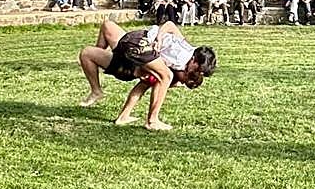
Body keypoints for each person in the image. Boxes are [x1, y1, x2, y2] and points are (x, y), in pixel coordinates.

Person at [77, 19, 216, 132]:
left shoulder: (187, 49)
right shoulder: (181, 58)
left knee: (87, 51)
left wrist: (159, 38)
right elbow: (169, 26)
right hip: (139, 44)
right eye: (198, 70)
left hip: (134, 42)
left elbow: (170, 25)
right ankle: (152, 121)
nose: (196, 72)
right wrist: (159, 39)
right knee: (166, 76)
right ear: (194, 60)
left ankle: (118, 112)